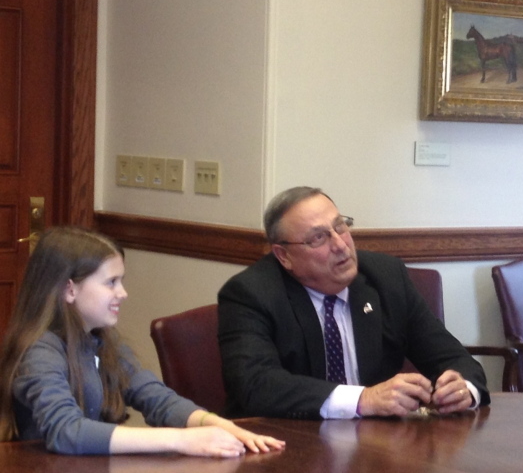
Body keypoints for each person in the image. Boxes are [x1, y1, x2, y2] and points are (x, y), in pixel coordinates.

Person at [0, 226, 286, 457]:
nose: (122, 293)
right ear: (69, 289)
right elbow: (67, 432)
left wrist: (220, 425)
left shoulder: (102, 340)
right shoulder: (39, 351)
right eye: (111, 282)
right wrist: (180, 440)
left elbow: (156, 398)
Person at [217, 186, 490, 419]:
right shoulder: (250, 294)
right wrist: (362, 400)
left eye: (340, 226)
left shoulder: (387, 277)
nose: (340, 244)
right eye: (318, 237)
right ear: (284, 255)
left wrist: (463, 388)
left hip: (376, 448)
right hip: (284, 445)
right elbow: (256, 384)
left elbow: (453, 358)